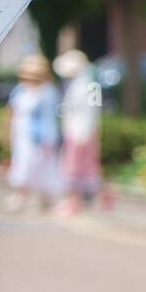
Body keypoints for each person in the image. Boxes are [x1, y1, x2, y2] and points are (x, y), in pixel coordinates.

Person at [5, 53, 62, 211]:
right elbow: (11, 112)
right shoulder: (19, 90)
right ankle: (22, 195)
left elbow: (49, 119)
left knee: (41, 166)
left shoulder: (48, 92)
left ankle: (43, 198)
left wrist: (48, 139)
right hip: (21, 135)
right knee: (22, 163)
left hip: (39, 138)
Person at [54, 49, 103, 215]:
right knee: (83, 168)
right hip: (76, 131)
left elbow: (93, 111)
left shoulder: (90, 85)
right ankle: (80, 200)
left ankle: (74, 201)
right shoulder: (79, 83)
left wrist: (86, 132)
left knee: (75, 169)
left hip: (81, 133)